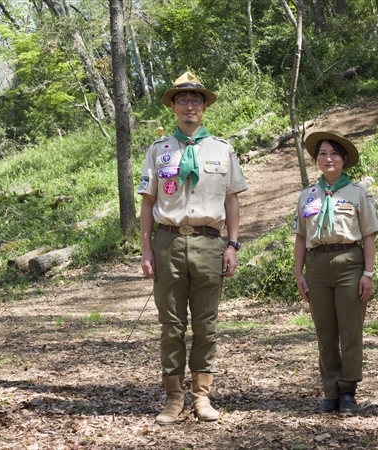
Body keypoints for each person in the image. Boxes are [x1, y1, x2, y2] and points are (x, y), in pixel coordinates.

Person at [137, 72, 248, 424]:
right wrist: (146, 249)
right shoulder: (159, 151)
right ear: (173, 106)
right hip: (168, 241)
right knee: (170, 325)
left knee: (205, 324)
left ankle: (201, 395)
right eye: (183, 100)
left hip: (209, 242)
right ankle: (173, 397)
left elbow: (232, 201)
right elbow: (146, 203)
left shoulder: (222, 149)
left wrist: (232, 244)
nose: (189, 106)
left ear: (204, 107)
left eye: (196, 100)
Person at [292, 130, 378, 416]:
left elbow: (368, 235)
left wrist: (368, 273)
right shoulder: (307, 195)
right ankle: (330, 390)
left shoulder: (357, 193)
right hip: (316, 266)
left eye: (333, 154)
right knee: (325, 332)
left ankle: (348, 392)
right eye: (322, 154)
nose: (328, 159)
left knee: (350, 330)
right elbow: (301, 237)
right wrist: (299, 272)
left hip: (349, 263)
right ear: (316, 160)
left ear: (343, 159)